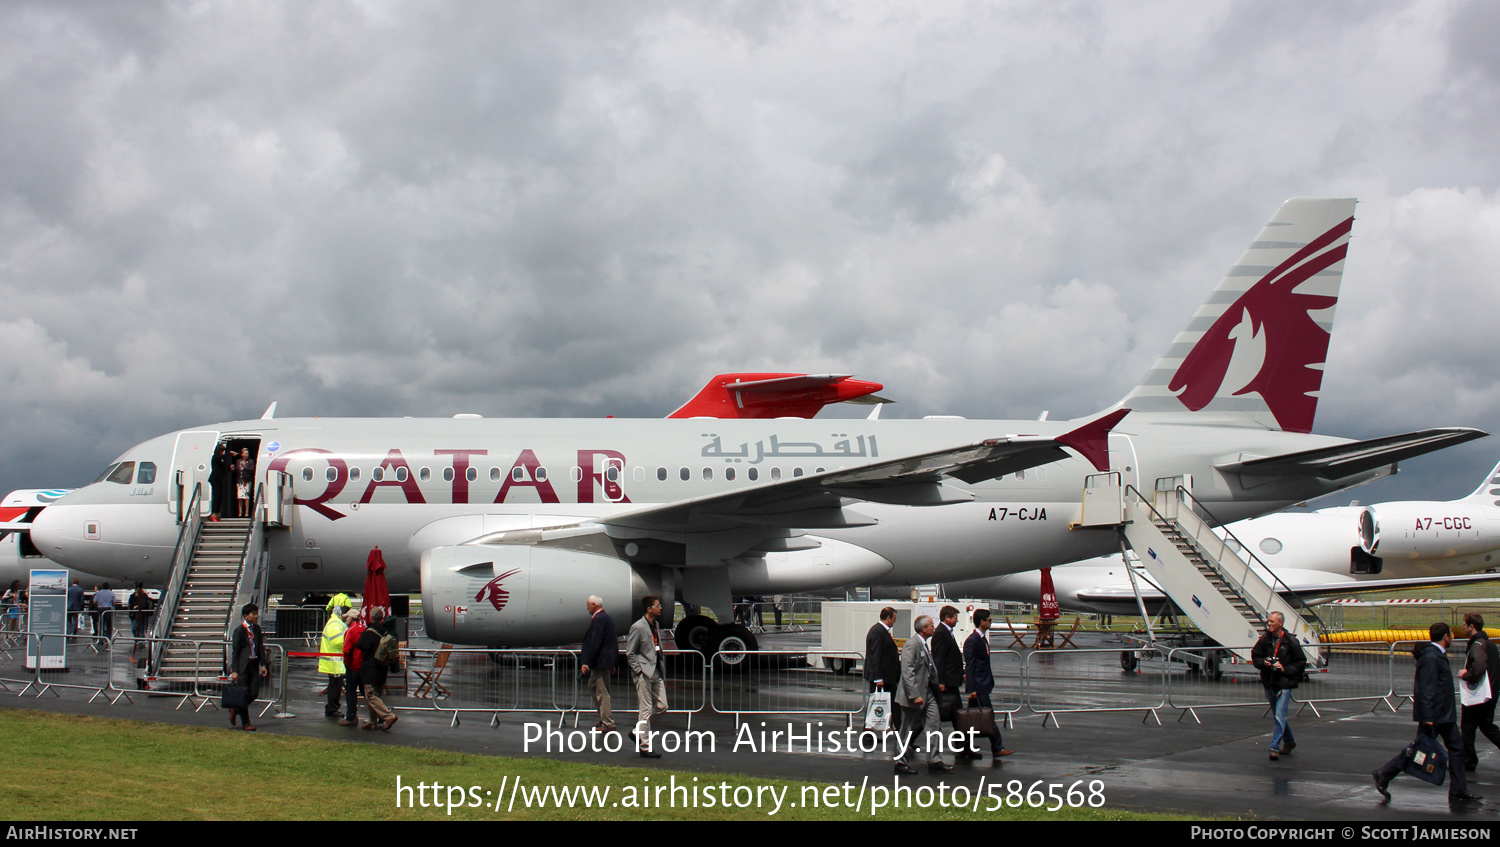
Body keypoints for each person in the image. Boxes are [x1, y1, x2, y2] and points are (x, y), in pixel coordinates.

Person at [1373, 623, 1481, 804]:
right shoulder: (1432, 657)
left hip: (1444, 714)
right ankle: (1384, 773)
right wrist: (1428, 716)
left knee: (1457, 749)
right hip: (1436, 715)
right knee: (1418, 750)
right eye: (1451, 636)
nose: (1452, 638)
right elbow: (1426, 688)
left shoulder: (1437, 655)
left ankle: (1458, 789)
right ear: (1445, 637)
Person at [894, 614, 951, 774]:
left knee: (934, 724)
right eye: (931, 625)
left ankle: (935, 759)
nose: (934, 627)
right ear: (924, 628)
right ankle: (900, 761)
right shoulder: (912, 645)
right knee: (906, 729)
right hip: (913, 695)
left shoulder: (925, 644)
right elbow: (907, 672)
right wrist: (914, 694)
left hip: (928, 693)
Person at [1251, 611, 1306, 761]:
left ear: (1280, 623)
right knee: (1278, 716)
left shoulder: (1291, 642)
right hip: (1270, 682)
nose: (1269, 624)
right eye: (1268, 621)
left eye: (1272, 622)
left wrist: (1285, 669)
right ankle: (1289, 742)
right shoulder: (1264, 640)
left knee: (1279, 716)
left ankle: (1274, 747)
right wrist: (1264, 663)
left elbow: (1301, 663)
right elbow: (1255, 655)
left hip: (1284, 683)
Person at [964, 609, 1014, 759]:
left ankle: (964, 746)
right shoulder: (973, 640)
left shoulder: (982, 638)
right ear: (982, 622)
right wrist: (971, 688)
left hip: (982, 684)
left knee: (970, 719)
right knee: (988, 716)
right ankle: (997, 746)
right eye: (989, 620)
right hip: (978, 686)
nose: (991, 622)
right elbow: (970, 665)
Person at [625, 595, 668, 757]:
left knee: (662, 706)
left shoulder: (655, 624)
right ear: (649, 609)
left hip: (656, 671)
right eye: (658, 605)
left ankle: (637, 731)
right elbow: (630, 652)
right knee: (645, 710)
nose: (661, 608)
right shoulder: (638, 627)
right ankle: (645, 746)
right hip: (644, 673)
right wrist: (638, 670)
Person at [1458, 612, 1500, 772]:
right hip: (1492, 693)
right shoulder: (1490, 644)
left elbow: (1480, 667)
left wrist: (1467, 675)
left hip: (1480, 695)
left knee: (1468, 727)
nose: (1462, 627)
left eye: (1464, 625)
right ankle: (1469, 759)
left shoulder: (1478, 645)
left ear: (1471, 626)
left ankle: (1469, 761)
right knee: (1486, 726)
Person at [354, 608, 398, 731]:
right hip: (382, 668)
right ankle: (372, 721)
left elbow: (360, 644)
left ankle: (388, 716)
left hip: (370, 669)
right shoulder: (385, 631)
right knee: (376, 695)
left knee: (371, 696)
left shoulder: (370, 631)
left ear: (371, 617)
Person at [579, 595, 619, 733]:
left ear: (594, 605)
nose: (587, 608)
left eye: (588, 605)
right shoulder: (606, 618)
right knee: (593, 686)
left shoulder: (599, 619)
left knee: (602, 692)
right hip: (603, 661)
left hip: (600, 662)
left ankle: (607, 722)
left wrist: (586, 662)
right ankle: (604, 718)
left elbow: (595, 642)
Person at [228, 603, 268, 731]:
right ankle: (246, 722)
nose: (255, 616)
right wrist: (234, 670)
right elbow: (236, 651)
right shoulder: (239, 631)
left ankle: (235, 708)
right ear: (246, 616)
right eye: (253, 614)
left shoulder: (256, 629)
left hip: (254, 664)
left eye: (256, 613)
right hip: (243, 666)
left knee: (254, 693)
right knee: (244, 693)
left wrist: (263, 664)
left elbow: (260, 647)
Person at [864, 606, 903, 733]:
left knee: (890, 704)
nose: (895, 622)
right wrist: (878, 678)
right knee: (877, 704)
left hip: (888, 677)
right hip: (883, 678)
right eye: (894, 619)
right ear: (888, 618)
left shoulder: (882, 631)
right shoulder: (877, 632)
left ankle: (898, 729)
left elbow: (883, 651)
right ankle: (869, 732)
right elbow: (876, 656)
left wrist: (895, 651)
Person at [931, 605, 965, 735]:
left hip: (952, 680)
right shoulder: (941, 633)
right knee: (954, 712)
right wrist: (940, 681)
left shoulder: (947, 632)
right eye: (955, 618)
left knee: (955, 713)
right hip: (948, 681)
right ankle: (963, 744)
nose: (957, 620)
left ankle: (963, 744)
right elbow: (939, 659)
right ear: (947, 618)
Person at [319, 594, 351, 719]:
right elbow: (337, 642)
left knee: (335, 686)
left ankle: (332, 707)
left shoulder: (335, 622)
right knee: (334, 687)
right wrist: (349, 640)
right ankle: (332, 708)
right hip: (333, 661)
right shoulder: (334, 624)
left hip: (334, 661)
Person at [339, 608, 364, 726]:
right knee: (368, 693)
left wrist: (347, 664)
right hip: (363, 666)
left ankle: (351, 716)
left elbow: (346, 650)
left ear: (351, 618)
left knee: (351, 692)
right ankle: (378, 715)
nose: (346, 619)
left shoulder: (350, 630)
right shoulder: (364, 629)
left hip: (353, 666)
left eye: (347, 617)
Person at [234, 447, 255, 518]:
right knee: (240, 497)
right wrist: (233, 469)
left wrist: (245, 467)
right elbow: (237, 471)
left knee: (246, 497)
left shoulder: (250, 461)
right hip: (240, 481)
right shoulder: (238, 461)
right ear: (242, 454)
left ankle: (247, 512)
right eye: (245, 453)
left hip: (247, 480)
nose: (246, 455)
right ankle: (240, 512)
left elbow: (252, 470)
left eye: (247, 454)